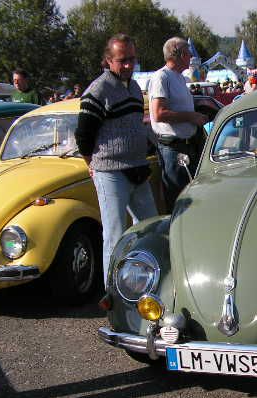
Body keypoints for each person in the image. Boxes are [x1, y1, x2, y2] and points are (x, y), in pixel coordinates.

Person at [75, 33, 158, 285]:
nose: (129, 65)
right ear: (108, 60)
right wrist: (92, 164)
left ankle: (146, 284)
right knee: (114, 235)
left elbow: (135, 124)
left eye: (132, 59)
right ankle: (112, 292)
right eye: (122, 60)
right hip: (110, 171)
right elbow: (83, 135)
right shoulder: (98, 90)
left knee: (150, 229)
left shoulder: (134, 88)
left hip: (137, 167)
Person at [148, 36, 208, 211]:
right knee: (177, 199)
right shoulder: (161, 77)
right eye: (188, 53)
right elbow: (159, 113)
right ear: (180, 54)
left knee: (190, 197)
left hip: (187, 145)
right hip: (173, 148)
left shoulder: (180, 78)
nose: (191, 57)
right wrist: (191, 117)